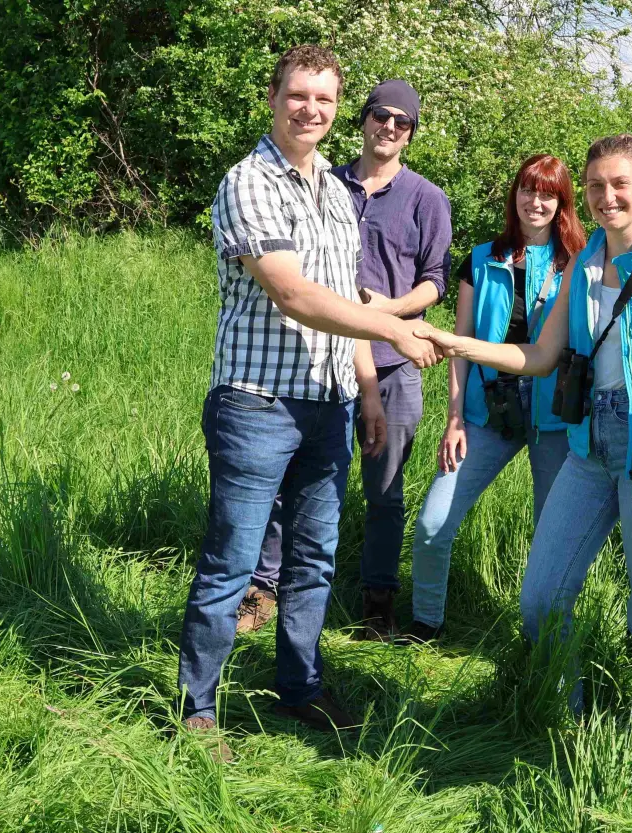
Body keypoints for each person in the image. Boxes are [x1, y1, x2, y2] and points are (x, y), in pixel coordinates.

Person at [178, 45, 442, 749]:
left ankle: (300, 687)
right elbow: (297, 295)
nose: (311, 110)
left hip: (329, 406)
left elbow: (341, 299)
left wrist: (371, 392)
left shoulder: (333, 188)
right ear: (273, 97)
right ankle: (197, 708)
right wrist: (396, 326)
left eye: (324, 100)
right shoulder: (248, 182)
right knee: (233, 560)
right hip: (257, 403)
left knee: (314, 559)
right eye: (299, 95)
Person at [423, 135, 632, 733]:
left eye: (620, 186)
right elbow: (540, 355)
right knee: (541, 597)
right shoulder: (583, 266)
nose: (607, 198)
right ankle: (568, 721)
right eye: (596, 187)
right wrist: (461, 344)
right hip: (587, 448)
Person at [239, 78, 454, 641]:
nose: (389, 127)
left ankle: (377, 601)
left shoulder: (427, 199)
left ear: (410, 134)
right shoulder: (325, 184)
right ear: (362, 120)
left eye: (402, 121)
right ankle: (264, 587)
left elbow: (436, 281)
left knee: (384, 489)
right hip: (319, 356)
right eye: (381, 115)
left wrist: (392, 311)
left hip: (396, 363)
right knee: (296, 479)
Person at [404, 155, 588, 643]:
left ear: (563, 203)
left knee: (554, 541)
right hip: (488, 411)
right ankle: (426, 625)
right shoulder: (482, 259)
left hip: (555, 418)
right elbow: (460, 344)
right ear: (515, 196)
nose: (536, 202)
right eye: (528, 190)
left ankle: (543, 646)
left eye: (548, 193)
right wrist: (454, 418)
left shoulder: (582, 262)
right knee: (432, 522)